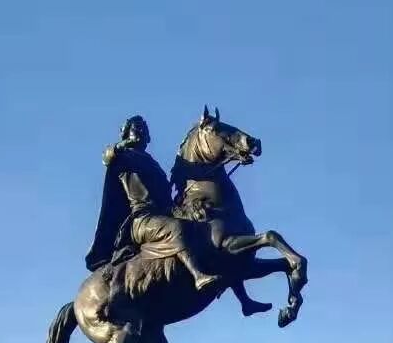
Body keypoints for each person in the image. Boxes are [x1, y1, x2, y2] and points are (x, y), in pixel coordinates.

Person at [86, 116, 270, 317]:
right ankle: (198, 275)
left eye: (144, 129)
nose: (141, 132)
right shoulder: (123, 156)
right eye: (136, 128)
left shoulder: (152, 163)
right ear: (126, 132)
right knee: (176, 228)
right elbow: (107, 156)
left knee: (209, 235)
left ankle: (244, 300)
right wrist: (122, 145)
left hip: (163, 213)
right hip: (142, 218)